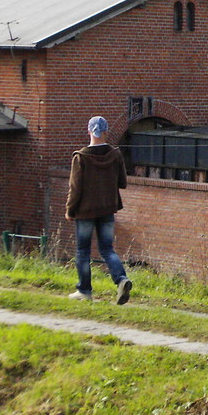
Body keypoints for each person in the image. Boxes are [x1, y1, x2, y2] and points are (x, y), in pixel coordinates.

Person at [65, 116, 132, 304]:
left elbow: (75, 188)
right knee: (107, 249)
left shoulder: (81, 157)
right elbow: (122, 183)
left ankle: (84, 291)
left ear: (89, 131)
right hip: (107, 209)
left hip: (85, 211)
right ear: (106, 132)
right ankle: (121, 279)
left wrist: (70, 210)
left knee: (83, 251)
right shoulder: (115, 154)